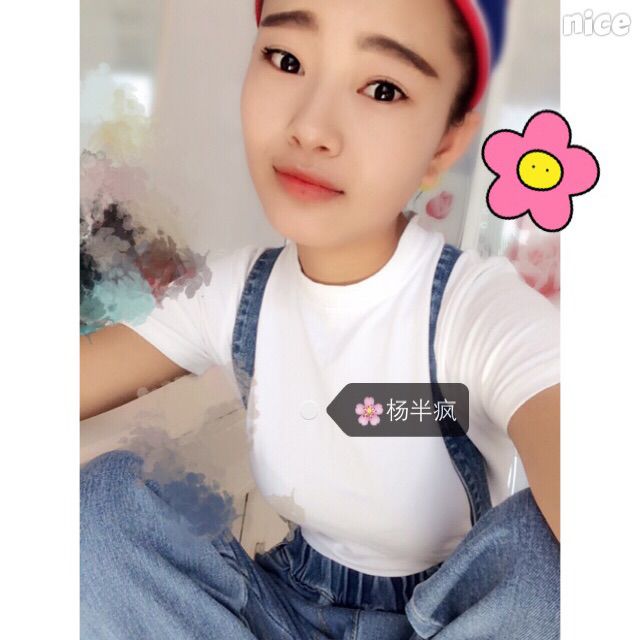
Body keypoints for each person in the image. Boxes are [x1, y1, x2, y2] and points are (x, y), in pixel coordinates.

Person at [80, 1, 560, 638]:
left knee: (550, 565)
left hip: (451, 622)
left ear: (445, 143)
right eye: (286, 60)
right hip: (278, 610)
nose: (310, 128)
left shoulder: (475, 309)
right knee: (101, 505)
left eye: (382, 88)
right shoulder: (236, 293)